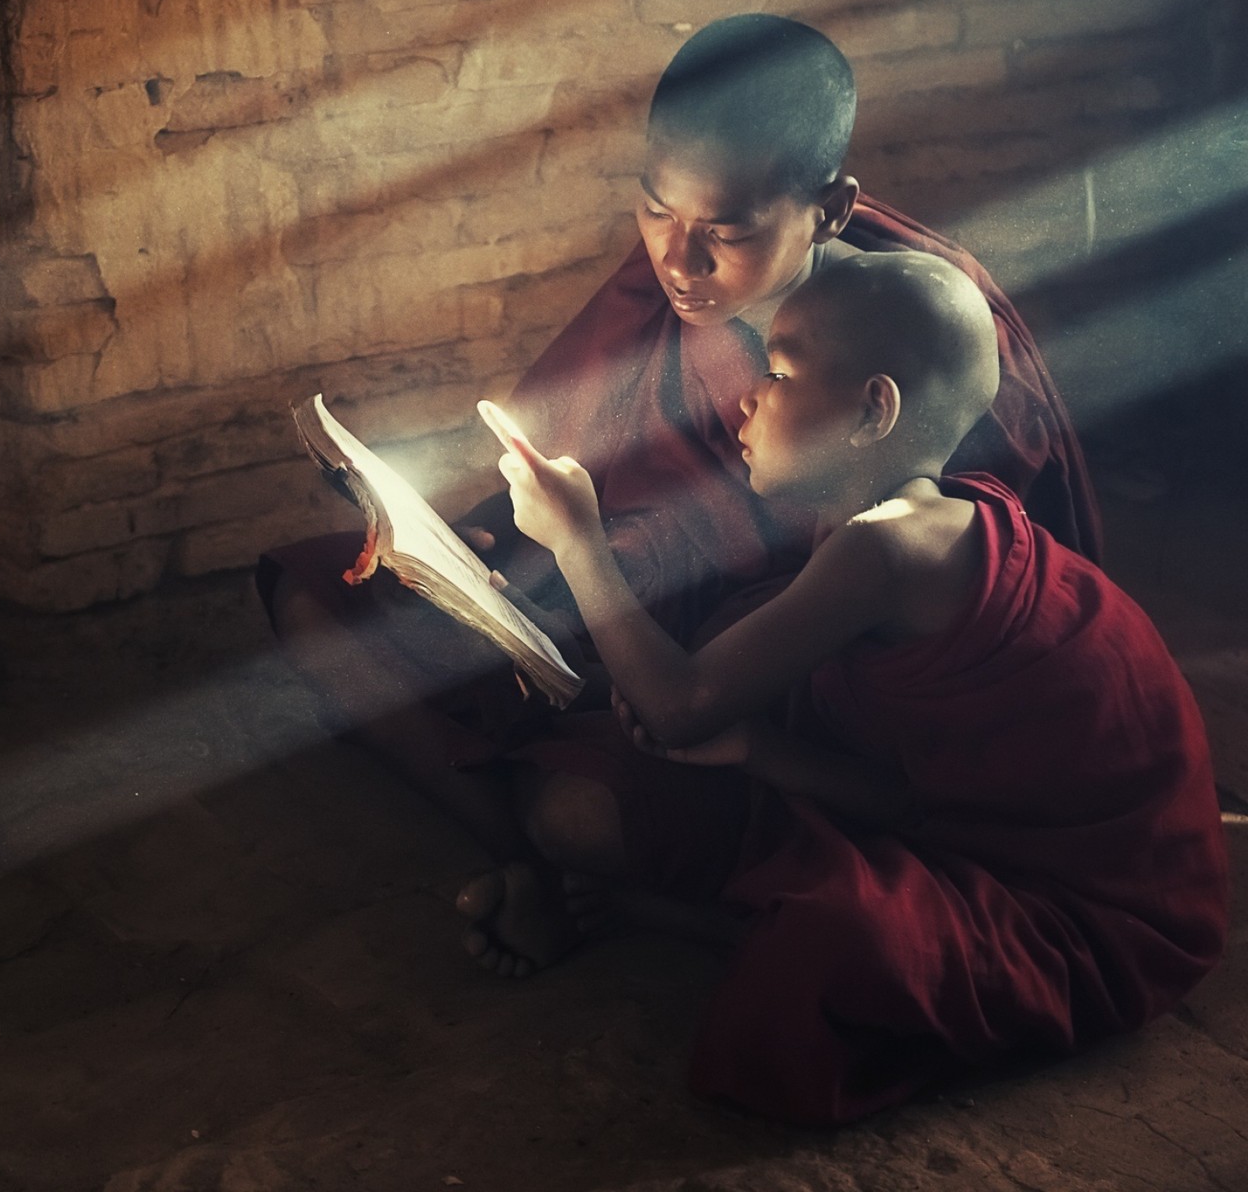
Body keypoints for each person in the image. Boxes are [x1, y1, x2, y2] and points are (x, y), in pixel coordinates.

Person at [258, 15, 1100, 967]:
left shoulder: (922, 341)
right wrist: (496, 551)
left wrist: (614, 589)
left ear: (830, 208)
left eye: (725, 233)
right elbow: (579, 446)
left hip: (772, 698)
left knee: (582, 810)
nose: (678, 262)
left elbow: (953, 650)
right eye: (656, 211)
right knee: (317, 601)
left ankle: (548, 861)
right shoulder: (676, 284)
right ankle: (530, 865)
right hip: (618, 624)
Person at [489, 249, 1227, 1125]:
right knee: (579, 801)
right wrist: (757, 747)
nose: (747, 398)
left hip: (1090, 910)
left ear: (876, 408)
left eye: (777, 372)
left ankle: (654, 917)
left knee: (845, 941)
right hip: (942, 827)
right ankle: (665, 907)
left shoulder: (894, 546)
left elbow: (678, 704)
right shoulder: (891, 524)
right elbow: (907, 796)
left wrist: (579, 542)